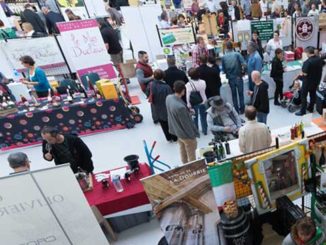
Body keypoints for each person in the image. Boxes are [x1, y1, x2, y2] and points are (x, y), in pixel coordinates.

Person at [166, 81, 199, 164]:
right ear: (183, 90)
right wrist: (192, 136)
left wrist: (187, 113)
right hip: (185, 134)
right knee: (191, 154)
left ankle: (184, 165)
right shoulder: (180, 107)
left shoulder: (169, 98)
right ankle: (193, 167)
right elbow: (186, 125)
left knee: (182, 149)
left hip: (177, 131)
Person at [150, 69, 177, 142]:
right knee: (171, 123)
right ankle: (174, 137)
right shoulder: (166, 87)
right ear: (163, 76)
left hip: (157, 107)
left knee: (163, 122)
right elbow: (171, 97)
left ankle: (168, 137)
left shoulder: (152, 85)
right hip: (167, 107)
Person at [296, 46, 323, 116]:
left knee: (303, 96)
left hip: (307, 82)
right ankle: (311, 108)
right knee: (312, 95)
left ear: (308, 53)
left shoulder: (307, 62)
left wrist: (301, 73)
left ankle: (302, 111)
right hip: (316, 81)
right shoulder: (319, 59)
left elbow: (305, 73)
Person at [222, 41, 246, 114]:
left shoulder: (224, 57)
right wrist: (243, 72)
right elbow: (244, 64)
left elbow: (223, 70)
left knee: (234, 95)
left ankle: (236, 110)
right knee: (241, 94)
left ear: (226, 47)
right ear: (233, 46)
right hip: (238, 77)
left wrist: (228, 74)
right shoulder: (237, 54)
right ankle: (242, 109)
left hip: (230, 78)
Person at [186, 68, 208, 135]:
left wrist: (188, 104)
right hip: (203, 100)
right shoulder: (203, 82)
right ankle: (205, 130)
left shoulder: (188, 84)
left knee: (195, 117)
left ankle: (196, 131)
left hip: (194, 102)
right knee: (203, 116)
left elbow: (188, 95)